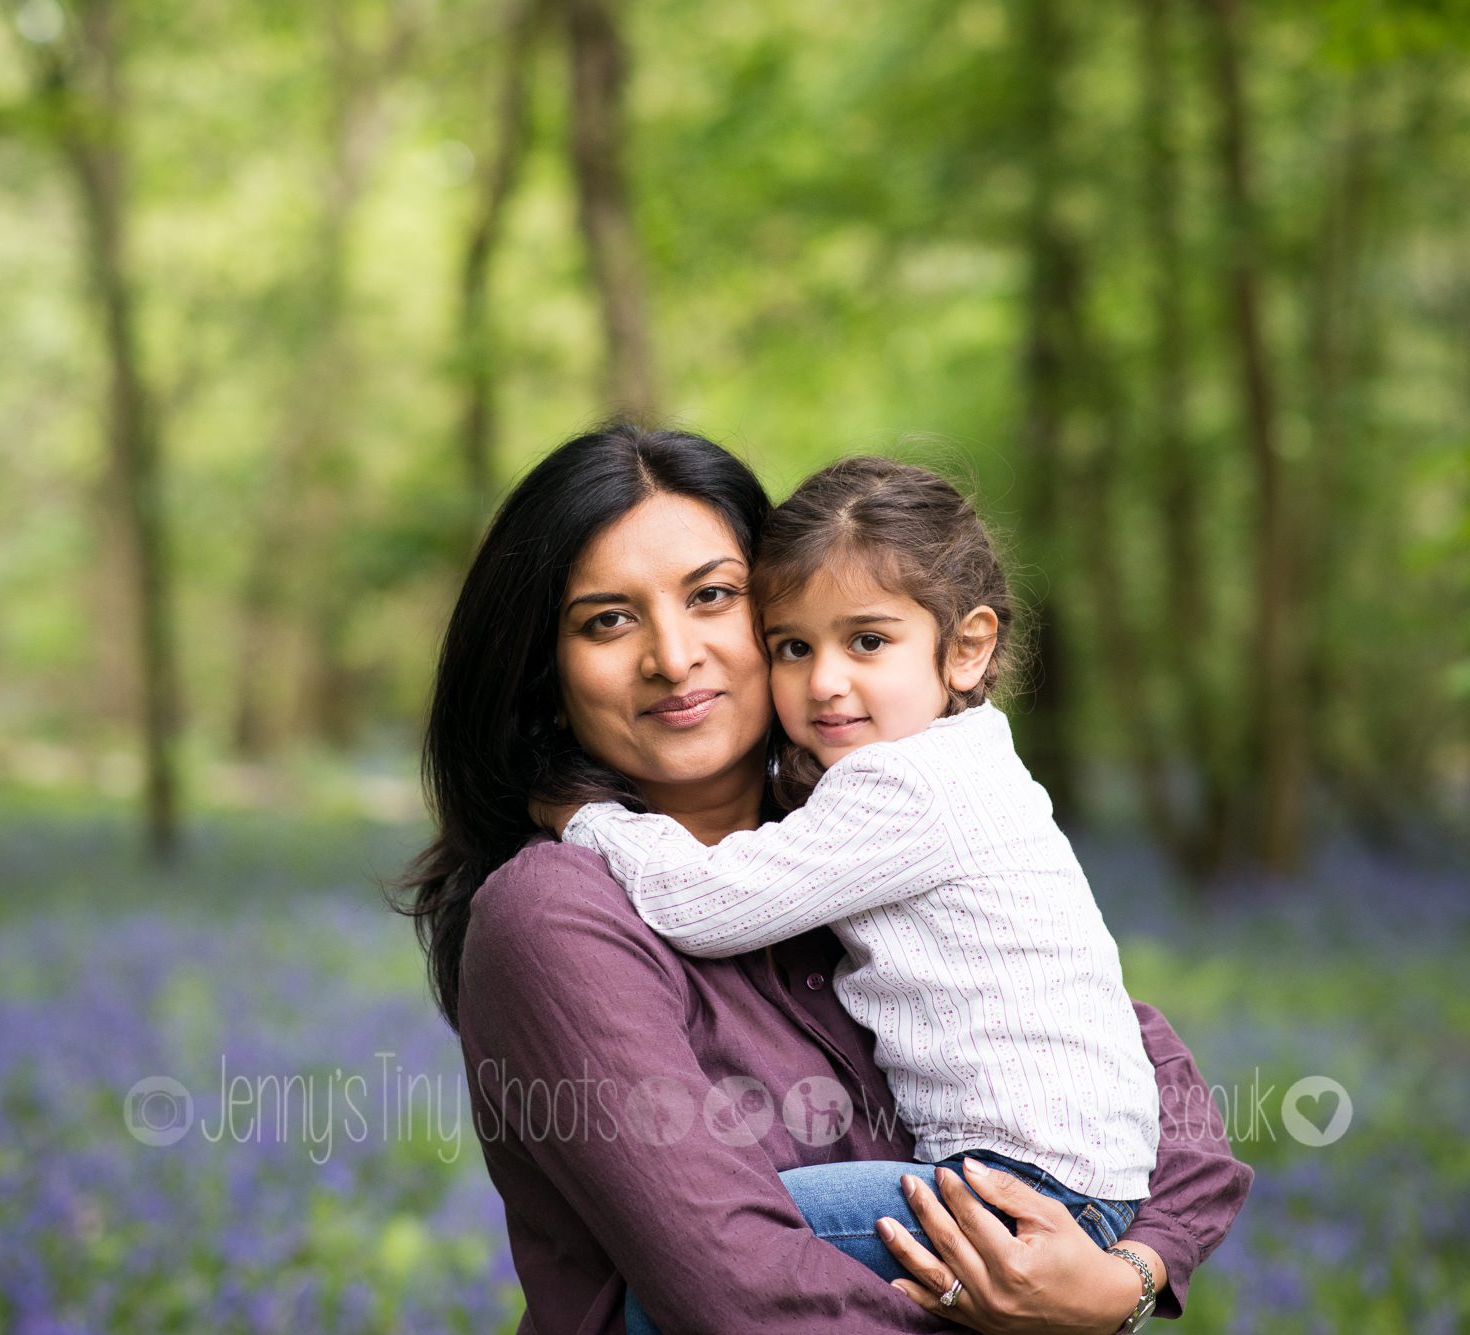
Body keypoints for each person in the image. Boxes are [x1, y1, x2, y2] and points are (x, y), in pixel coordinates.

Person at [397, 424, 1251, 1334]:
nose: (673, 655)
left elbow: (1154, 1084)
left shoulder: (856, 840)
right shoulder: (556, 912)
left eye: (713, 596)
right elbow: (741, 1290)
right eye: (608, 619)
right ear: (545, 671)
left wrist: (1125, 1281)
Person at [542, 458, 1157, 1330]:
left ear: (967, 646)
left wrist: (589, 822)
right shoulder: (971, 765)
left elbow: (705, 904)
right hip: (1074, 1182)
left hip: (1017, 1188)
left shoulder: (905, 787)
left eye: (866, 642)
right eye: (794, 646)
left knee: (667, 1297)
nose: (825, 680)